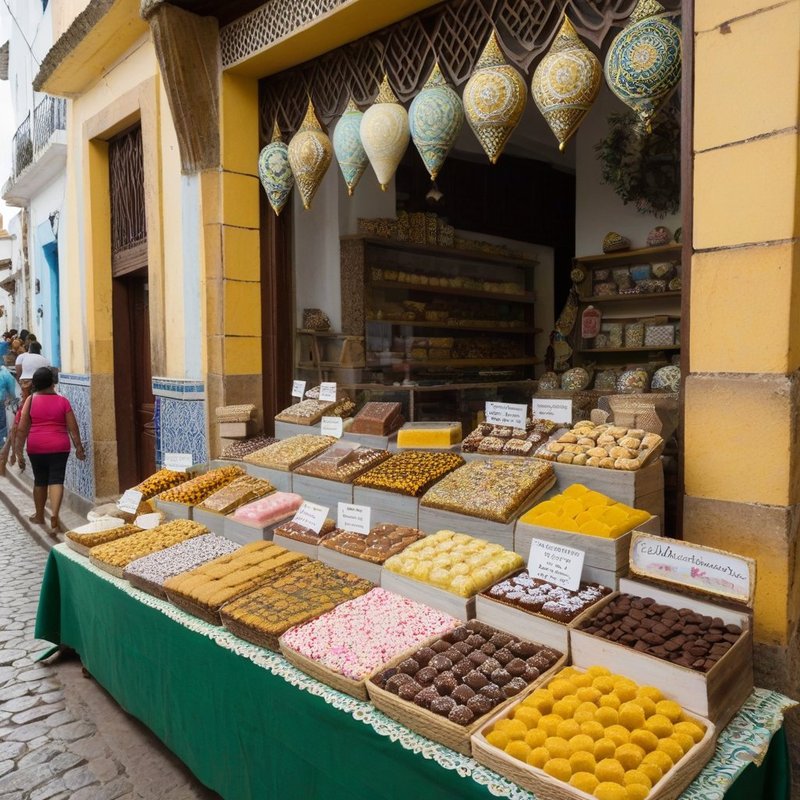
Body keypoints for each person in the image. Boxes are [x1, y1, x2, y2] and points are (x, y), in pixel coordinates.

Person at [15, 367, 85, 532]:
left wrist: (18, 452)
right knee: (56, 479)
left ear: (36, 383)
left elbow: (22, 429)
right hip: (59, 446)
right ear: (52, 383)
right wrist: (79, 447)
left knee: (40, 480)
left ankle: (39, 515)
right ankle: (54, 514)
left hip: (36, 446)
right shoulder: (63, 401)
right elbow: (73, 428)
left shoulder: (30, 400)